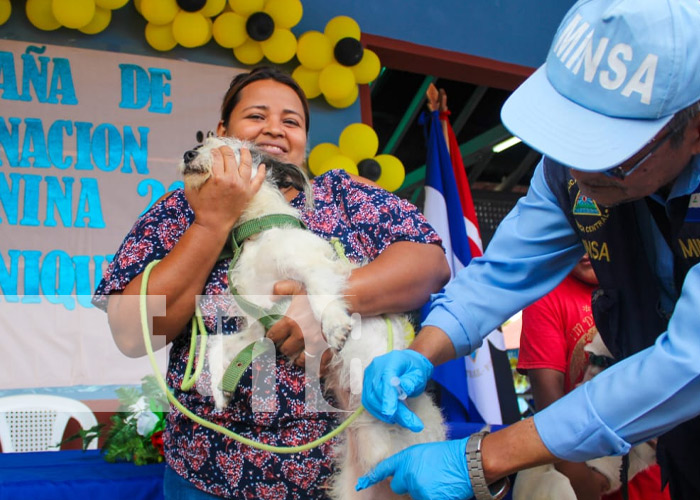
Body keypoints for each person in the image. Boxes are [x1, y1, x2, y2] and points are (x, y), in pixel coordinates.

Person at [356, 0, 700, 499]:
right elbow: (503, 271)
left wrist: (483, 458)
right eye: (570, 135)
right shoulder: (574, 174)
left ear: (692, 128)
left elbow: (688, 363)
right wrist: (424, 350)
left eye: (609, 151)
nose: (580, 171)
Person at [92, 66, 450, 499]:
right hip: (209, 477)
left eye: (291, 121)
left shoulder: (344, 196)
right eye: (256, 116)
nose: (275, 129)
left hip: (348, 473)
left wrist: (325, 304)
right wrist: (212, 222)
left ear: (305, 141)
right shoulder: (177, 211)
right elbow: (133, 333)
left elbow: (429, 263)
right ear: (221, 133)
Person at [516, 255, 668, 500]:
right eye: (576, 235)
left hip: (663, 474)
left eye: (594, 235)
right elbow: (550, 407)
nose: (586, 251)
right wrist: (581, 482)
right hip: (591, 476)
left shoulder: (650, 280)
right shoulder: (547, 296)